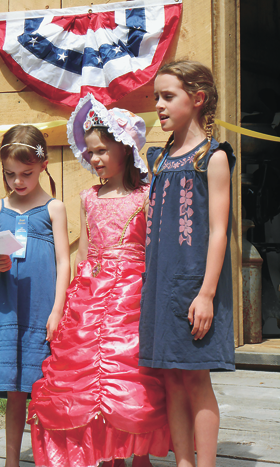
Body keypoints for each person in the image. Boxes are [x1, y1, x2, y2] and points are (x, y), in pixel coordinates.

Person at [28, 94, 171, 467]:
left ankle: (139, 455)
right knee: (88, 374)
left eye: (102, 151)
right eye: (90, 152)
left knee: (133, 378)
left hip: (132, 298)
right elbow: (83, 254)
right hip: (91, 300)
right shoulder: (88, 197)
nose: (94, 159)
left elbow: (155, 251)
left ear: (125, 149)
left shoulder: (147, 195)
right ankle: (108, 456)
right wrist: (73, 304)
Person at [139, 60, 236, 467]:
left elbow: (218, 230)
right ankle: (183, 461)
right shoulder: (159, 160)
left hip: (195, 285)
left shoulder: (211, 158)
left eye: (168, 96)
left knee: (196, 377)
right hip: (162, 285)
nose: (158, 105)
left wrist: (208, 293)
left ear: (196, 100)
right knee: (170, 378)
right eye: (156, 97)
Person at [0, 125, 70, 467]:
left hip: (43, 309)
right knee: (15, 392)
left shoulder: (53, 208)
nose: (18, 181)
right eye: (10, 174)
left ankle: (51, 459)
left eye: (26, 173)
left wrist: (58, 310)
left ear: (43, 166)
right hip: (9, 310)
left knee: (46, 388)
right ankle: (11, 462)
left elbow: (64, 261)